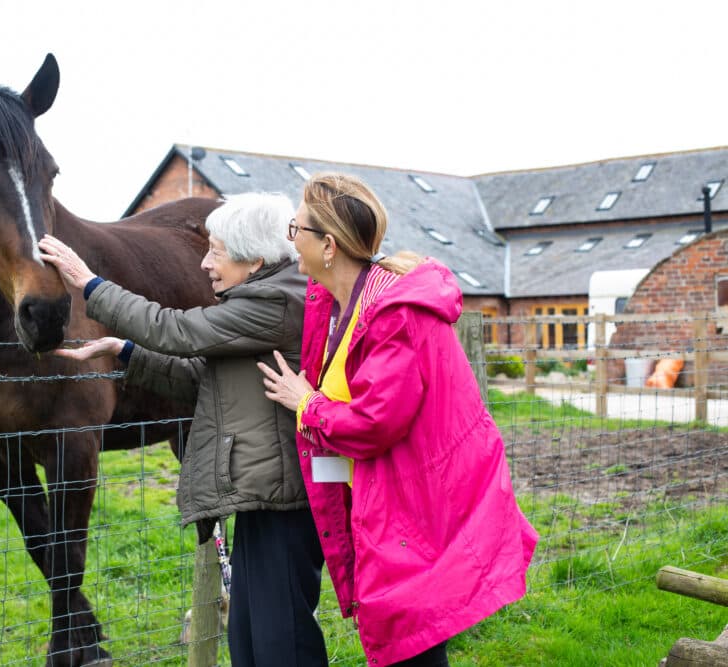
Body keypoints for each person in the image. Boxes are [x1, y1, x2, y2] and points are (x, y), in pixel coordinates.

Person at [257, 173, 538, 667]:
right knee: (410, 634)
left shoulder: (393, 314)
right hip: (397, 496)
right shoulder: (341, 301)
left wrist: (306, 403)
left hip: (421, 501)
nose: (289, 240)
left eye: (294, 228)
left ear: (328, 244)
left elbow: (373, 423)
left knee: (413, 635)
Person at [38, 192, 328, 667]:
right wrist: (126, 353)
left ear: (254, 259)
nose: (205, 263)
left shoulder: (273, 302)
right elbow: (201, 377)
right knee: (251, 637)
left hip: (282, 500)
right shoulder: (260, 300)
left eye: (215, 251)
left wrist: (88, 284)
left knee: (282, 641)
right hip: (261, 493)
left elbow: (176, 331)